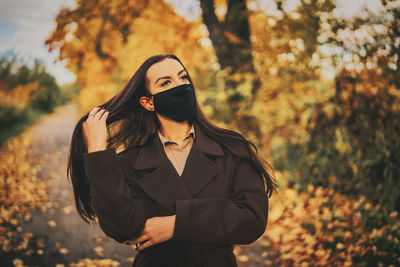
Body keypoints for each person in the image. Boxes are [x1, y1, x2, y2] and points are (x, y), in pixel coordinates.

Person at [67, 54, 277, 267]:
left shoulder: (231, 147)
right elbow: (122, 226)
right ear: (148, 102)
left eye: (183, 78)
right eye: (166, 82)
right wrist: (96, 150)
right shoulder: (130, 162)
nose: (181, 86)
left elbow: (252, 219)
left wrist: (176, 224)